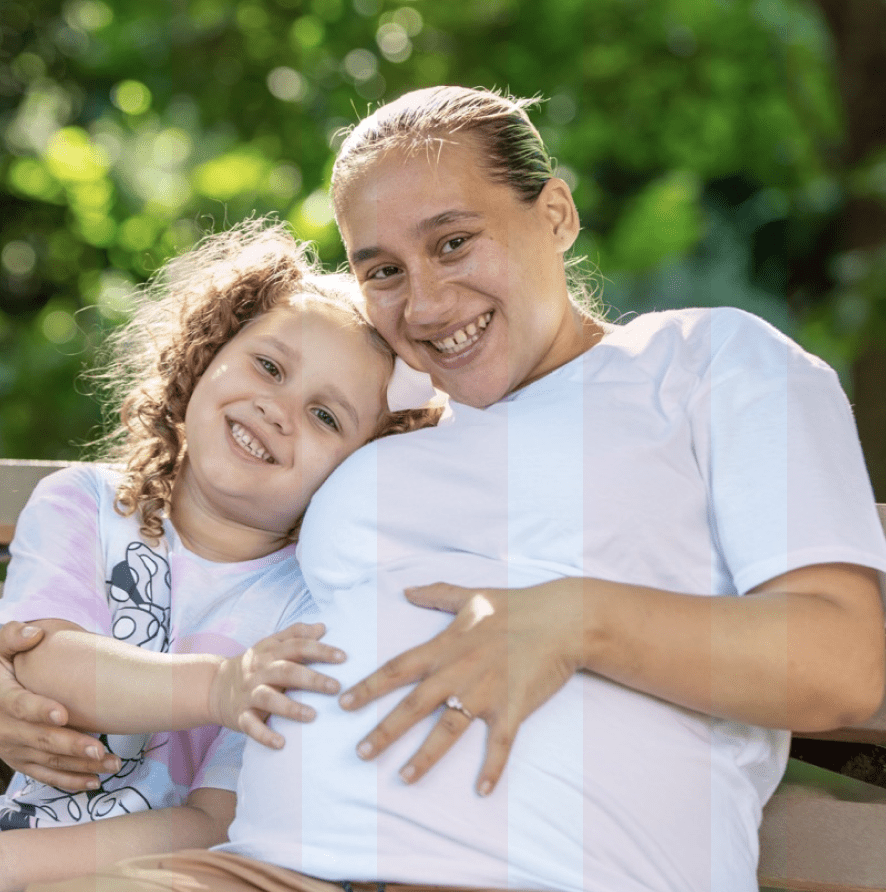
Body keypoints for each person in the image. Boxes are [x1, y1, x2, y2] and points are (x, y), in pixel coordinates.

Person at [14, 86, 886, 892]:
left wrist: (577, 619)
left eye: (453, 241)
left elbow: (845, 664)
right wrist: (20, 690)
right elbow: (199, 557)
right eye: (382, 270)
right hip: (263, 868)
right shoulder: (377, 437)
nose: (426, 304)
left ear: (556, 212)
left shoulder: (707, 363)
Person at [0, 218, 438, 890]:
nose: (277, 408)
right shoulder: (83, 504)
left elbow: (217, 823)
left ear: (359, 473)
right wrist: (218, 688)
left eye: (327, 416)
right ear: (205, 355)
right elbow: (42, 664)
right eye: (268, 366)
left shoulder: (309, 610)